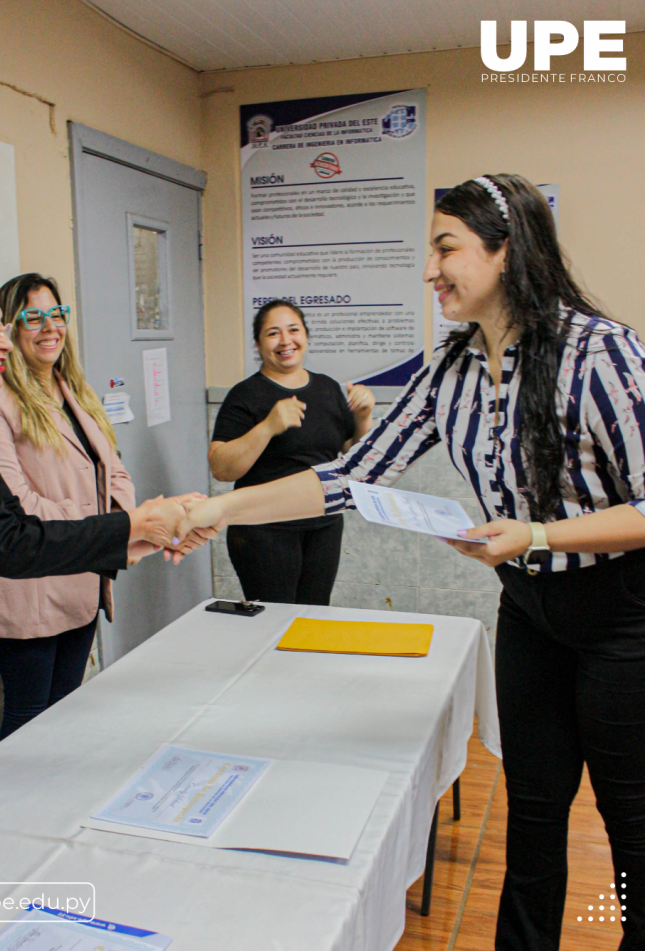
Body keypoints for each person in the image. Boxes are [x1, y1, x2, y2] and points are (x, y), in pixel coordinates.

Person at [180, 175, 645, 951]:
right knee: (531, 810)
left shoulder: (601, 354)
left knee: (630, 820)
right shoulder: (453, 367)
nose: (431, 270)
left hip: (624, 618)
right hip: (528, 612)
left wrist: (534, 537)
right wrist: (218, 508)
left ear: (507, 251)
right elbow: (349, 477)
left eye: (446, 248)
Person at [0, 266, 205, 824]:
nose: (3, 339)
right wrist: (136, 527)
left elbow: (7, 519)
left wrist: (146, 532)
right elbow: (3, 538)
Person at [0, 273, 139, 738]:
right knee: (29, 717)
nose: (50, 327)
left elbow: (113, 470)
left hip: (81, 576)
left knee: (67, 709)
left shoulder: (71, 390)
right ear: (9, 327)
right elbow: (17, 503)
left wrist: (124, 519)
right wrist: (104, 526)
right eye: (34, 316)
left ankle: (53, 806)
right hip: (28, 584)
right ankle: (18, 808)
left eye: (57, 314)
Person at [209, 300, 374, 604]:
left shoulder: (326, 388)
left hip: (323, 526)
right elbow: (221, 468)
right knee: (275, 623)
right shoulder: (245, 395)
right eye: (273, 333)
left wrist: (363, 417)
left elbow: (354, 454)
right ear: (258, 344)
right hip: (263, 532)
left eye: (293, 330)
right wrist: (268, 427)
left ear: (306, 337)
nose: (286, 341)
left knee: (313, 620)